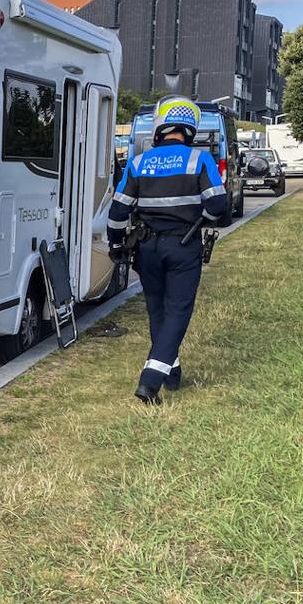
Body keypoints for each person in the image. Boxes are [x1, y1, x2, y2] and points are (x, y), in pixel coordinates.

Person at [107, 96, 228, 404]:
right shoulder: (199, 160)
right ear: (191, 131)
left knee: (157, 309)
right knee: (177, 311)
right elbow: (218, 206)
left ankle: (172, 372)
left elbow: (118, 212)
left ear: (159, 128)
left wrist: (117, 245)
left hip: (145, 247)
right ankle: (150, 380)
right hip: (184, 245)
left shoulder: (138, 162)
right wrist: (203, 218)